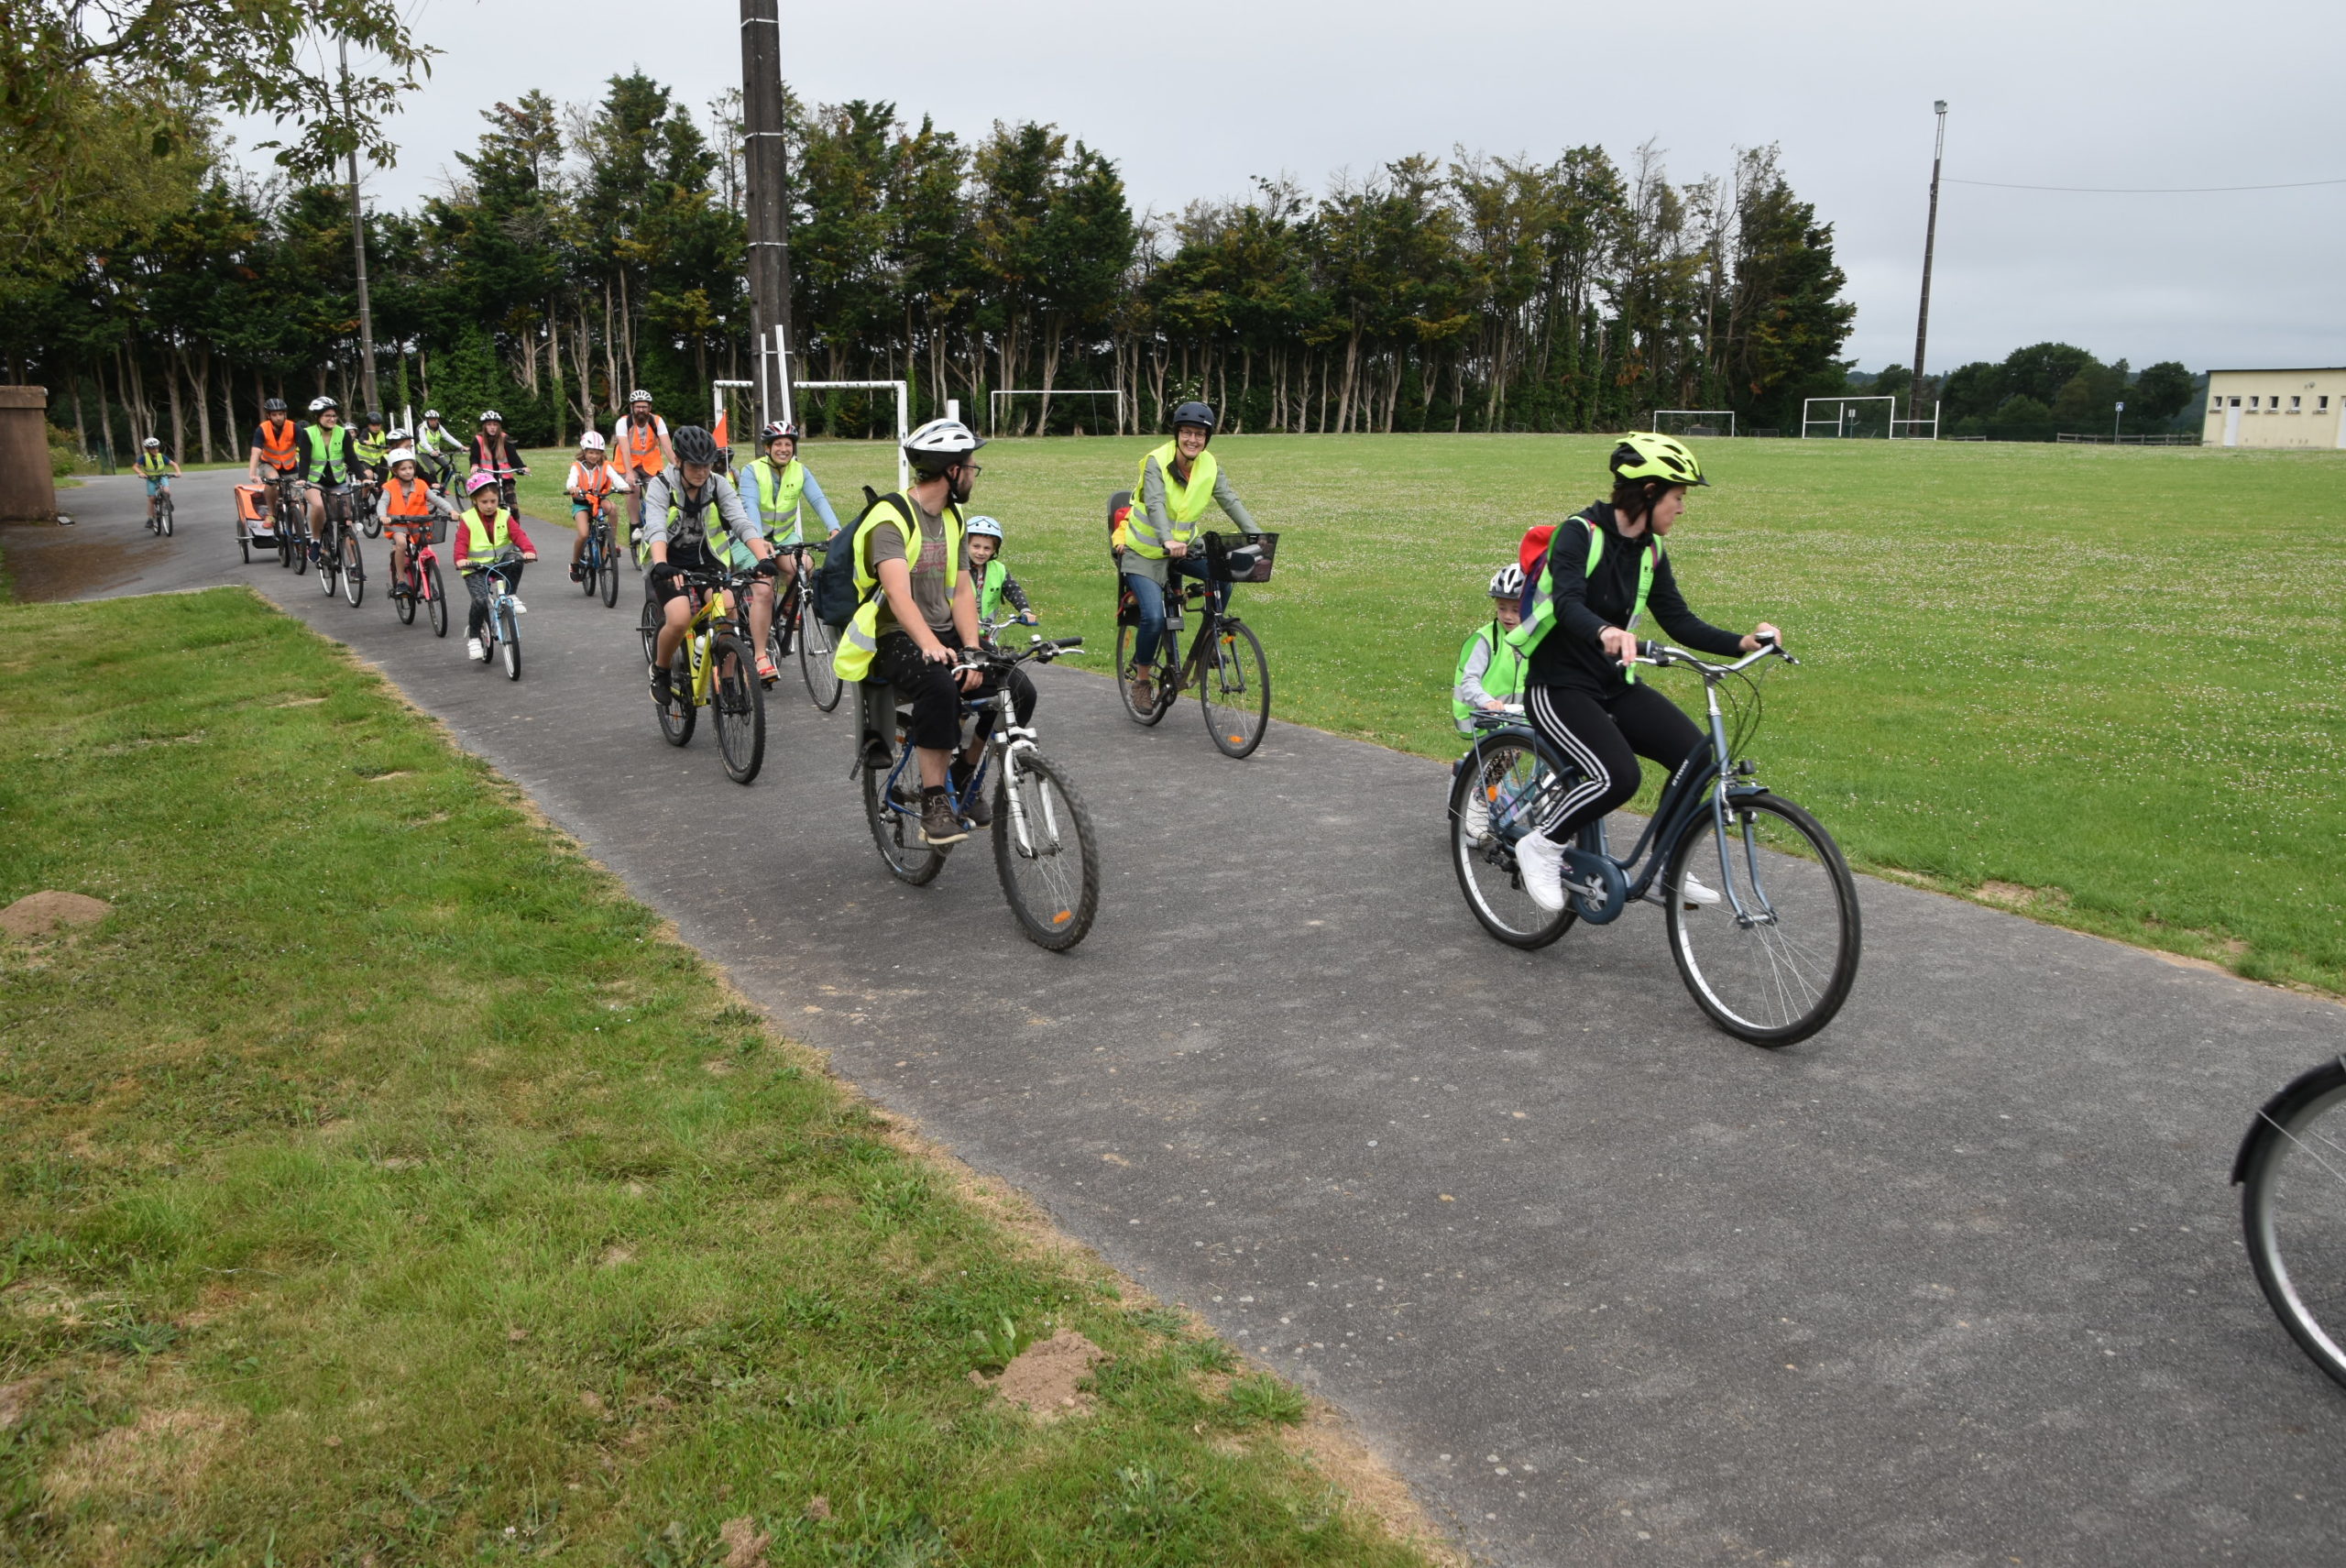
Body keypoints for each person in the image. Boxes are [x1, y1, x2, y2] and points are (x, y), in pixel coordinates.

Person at [1505, 433, 1781, 912]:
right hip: (1557, 685)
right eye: (1679, 497)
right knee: (1617, 776)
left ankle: (1667, 865)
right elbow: (1567, 603)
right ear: (1650, 492)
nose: (1683, 508)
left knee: (1697, 756)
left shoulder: (1650, 550)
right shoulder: (1578, 533)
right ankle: (1542, 844)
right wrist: (1605, 630)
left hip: (1614, 683)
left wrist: (1742, 642)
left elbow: (1678, 620)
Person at [832, 418, 1027, 847]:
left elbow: (962, 590)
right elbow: (897, 595)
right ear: (952, 470)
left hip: (942, 629)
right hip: (891, 634)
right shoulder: (890, 518)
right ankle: (934, 801)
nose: (974, 474)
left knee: (1018, 687)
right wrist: (932, 647)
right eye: (971, 466)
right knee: (939, 687)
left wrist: (972, 650)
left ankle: (964, 770)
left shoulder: (954, 517)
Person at [1114, 400, 1261, 711]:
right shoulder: (1156, 461)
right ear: (1177, 434)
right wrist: (1166, 538)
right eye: (1187, 433)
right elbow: (1155, 503)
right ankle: (1141, 680)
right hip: (1144, 552)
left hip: (1182, 548)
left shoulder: (1209, 465)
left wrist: (1257, 536)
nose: (1192, 440)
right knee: (1154, 617)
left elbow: (1229, 500)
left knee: (1224, 575)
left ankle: (1210, 641)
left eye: (1199, 434)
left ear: (1207, 438)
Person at [641, 423, 778, 706]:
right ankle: (661, 670)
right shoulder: (661, 485)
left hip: (706, 561)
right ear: (678, 461)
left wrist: (762, 558)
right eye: (695, 465)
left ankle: (726, 681)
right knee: (679, 618)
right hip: (667, 562)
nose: (702, 472)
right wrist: (661, 563)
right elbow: (655, 527)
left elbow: (740, 521)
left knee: (727, 608)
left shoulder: (718, 484)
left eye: (707, 465)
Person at [737, 422, 841, 677]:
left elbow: (818, 499)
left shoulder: (800, 471)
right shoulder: (751, 471)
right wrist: (758, 540)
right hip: (750, 539)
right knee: (763, 589)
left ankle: (786, 613)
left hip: (783, 537)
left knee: (805, 564)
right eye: (778, 444)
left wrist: (835, 529)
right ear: (767, 447)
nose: (784, 449)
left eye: (788, 444)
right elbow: (750, 505)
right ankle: (760, 657)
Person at [1453, 565, 1528, 839]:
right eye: (1502, 608)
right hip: (1484, 716)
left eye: (1516, 609)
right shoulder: (1486, 640)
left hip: (1518, 715)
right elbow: (1469, 682)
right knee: (1512, 750)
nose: (1507, 616)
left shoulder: (1534, 640)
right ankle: (1480, 796)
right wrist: (1487, 702)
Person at [453, 469, 537, 659]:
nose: (490, 506)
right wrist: (460, 559)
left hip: (500, 564)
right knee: (480, 601)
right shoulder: (467, 519)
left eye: (493, 501)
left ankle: (511, 594)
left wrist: (528, 550)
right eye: (484, 502)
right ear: (475, 500)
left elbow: (518, 535)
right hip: (475, 568)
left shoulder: (504, 516)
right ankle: (474, 638)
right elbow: (461, 542)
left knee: (516, 559)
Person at [379, 447, 455, 598]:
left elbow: (436, 500)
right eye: (403, 469)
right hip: (397, 524)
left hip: (419, 523)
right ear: (394, 471)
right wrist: (382, 516)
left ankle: (426, 582)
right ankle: (401, 580)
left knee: (427, 550)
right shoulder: (389, 487)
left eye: (410, 468)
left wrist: (451, 510)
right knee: (401, 544)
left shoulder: (421, 484)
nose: (408, 472)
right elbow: (382, 502)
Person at [298, 396, 364, 562]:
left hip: (337, 482)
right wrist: (302, 478)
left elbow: (351, 457)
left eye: (334, 416)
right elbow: (304, 459)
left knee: (346, 521)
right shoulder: (308, 433)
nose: (332, 419)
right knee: (319, 506)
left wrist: (363, 477)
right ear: (318, 417)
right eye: (327, 416)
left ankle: (354, 565)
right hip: (314, 482)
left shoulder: (342, 433)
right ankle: (315, 541)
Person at [612, 389, 674, 560]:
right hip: (627, 464)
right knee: (633, 488)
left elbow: (668, 447)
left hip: (650, 464)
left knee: (657, 491)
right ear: (632, 407)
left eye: (644, 407)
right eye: (638, 406)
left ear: (650, 408)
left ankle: (657, 525)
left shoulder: (657, 421)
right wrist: (629, 474)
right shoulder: (623, 423)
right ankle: (635, 526)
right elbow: (625, 449)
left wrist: (678, 467)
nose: (641, 410)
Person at [564, 432, 631, 582]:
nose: (594, 456)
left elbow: (616, 478)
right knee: (583, 534)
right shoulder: (577, 467)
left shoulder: (605, 466)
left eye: (597, 453)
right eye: (591, 452)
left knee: (613, 508)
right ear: (584, 451)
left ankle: (612, 543)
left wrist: (624, 487)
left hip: (599, 500)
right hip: (582, 503)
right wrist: (573, 488)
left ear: (602, 454)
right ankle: (575, 564)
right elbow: (571, 480)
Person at [247, 397, 299, 517]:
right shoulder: (262, 429)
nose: (278, 417)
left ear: (285, 414)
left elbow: (306, 449)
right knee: (272, 480)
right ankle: (271, 514)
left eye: (280, 414)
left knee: (296, 503)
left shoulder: (294, 427)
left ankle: (299, 523)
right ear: (268, 416)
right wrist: (252, 474)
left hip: (290, 466)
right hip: (269, 464)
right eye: (274, 415)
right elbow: (256, 452)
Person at [468, 411, 528, 513]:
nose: (492, 427)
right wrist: (474, 465)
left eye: (495, 425)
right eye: (489, 425)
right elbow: (474, 456)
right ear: (484, 426)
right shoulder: (478, 440)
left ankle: (514, 523)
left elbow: (513, 456)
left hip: (505, 478)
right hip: (486, 479)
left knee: (513, 508)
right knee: (482, 507)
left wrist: (522, 467)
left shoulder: (505, 438)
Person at [414, 409, 465, 488]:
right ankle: (434, 486)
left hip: (436, 452)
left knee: (447, 466)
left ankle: (443, 485)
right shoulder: (422, 428)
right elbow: (423, 442)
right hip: (424, 452)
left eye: (435, 419)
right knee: (432, 470)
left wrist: (460, 446)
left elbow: (448, 437)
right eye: (431, 420)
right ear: (427, 420)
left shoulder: (439, 428)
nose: (434, 422)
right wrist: (431, 451)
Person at [136, 437, 181, 524]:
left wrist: (178, 472)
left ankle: (167, 502)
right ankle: (150, 518)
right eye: (153, 449)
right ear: (148, 449)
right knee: (152, 498)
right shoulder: (144, 457)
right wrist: (140, 473)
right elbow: (135, 466)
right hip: (151, 479)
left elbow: (174, 464)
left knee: (166, 491)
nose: (155, 450)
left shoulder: (161, 456)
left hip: (162, 476)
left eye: (157, 448)